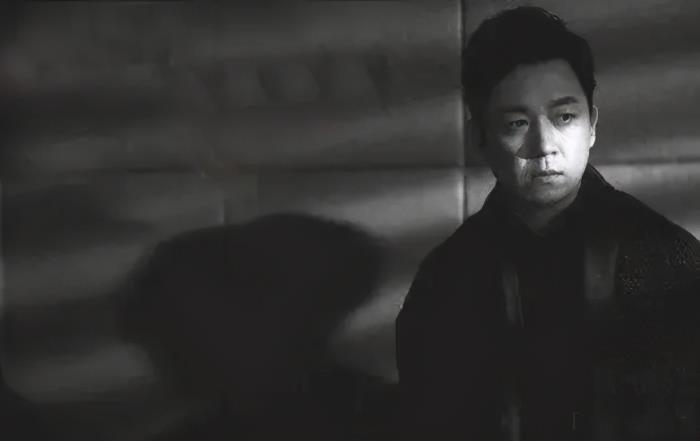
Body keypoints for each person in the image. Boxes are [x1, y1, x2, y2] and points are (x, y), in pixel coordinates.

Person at [396, 6, 700, 441]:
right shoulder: (445, 279)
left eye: (564, 117)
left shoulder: (669, 261)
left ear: (591, 125)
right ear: (479, 136)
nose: (544, 146)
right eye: (517, 123)